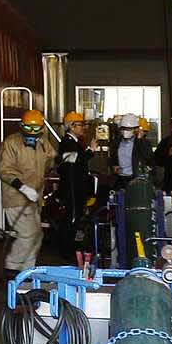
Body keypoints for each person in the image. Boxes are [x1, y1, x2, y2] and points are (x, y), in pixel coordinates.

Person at [0, 108, 55, 277]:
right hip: (16, 197)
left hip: (34, 197)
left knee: (37, 235)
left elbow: (51, 157)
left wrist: (63, 158)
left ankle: (28, 271)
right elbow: (3, 171)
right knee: (29, 234)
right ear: (22, 127)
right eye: (28, 129)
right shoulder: (11, 143)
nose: (32, 133)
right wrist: (22, 187)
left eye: (36, 130)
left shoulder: (42, 142)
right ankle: (12, 267)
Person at [47, 109, 99, 259]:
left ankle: (67, 249)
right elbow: (73, 160)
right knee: (71, 219)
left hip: (75, 188)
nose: (82, 128)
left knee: (73, 218)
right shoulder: (68, 143)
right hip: (72, 189)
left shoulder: (74, 143)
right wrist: (90, 151)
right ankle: (66, 251)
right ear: (71, 126)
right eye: (80, 125)